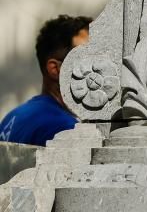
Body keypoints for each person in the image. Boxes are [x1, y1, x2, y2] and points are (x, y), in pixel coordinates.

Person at [0, 15, 92, 146]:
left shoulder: (12, 117)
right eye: (87, 58)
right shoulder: (64, 129)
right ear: (55, 69)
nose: (99, 67)